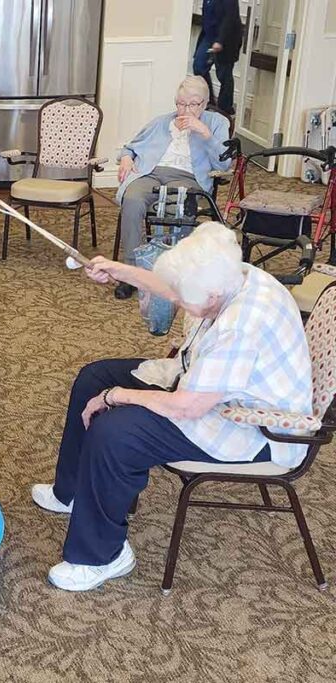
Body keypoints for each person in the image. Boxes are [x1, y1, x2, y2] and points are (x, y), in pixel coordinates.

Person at [31, 222, 312, 592]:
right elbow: (178, 287)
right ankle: (72, 493)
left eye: (185, 301)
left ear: (211, 296)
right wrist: (119, 269)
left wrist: (116, 396)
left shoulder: (240, 327)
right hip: (214, 388)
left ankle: (102, 556)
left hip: (252, 425)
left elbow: (186, 406)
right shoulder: (231, 273)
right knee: (93, 378)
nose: (178, 304)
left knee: (115, 434)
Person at [114, 76, 232, 300]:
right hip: (151, 172)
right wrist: (127, 158)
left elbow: (224, 163)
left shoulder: (217, 123)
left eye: (192, 104)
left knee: (177, 204)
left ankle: (173, 274)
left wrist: (205, 133)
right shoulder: (162, 122)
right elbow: (132, 146)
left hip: (188, 177)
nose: (185, 109)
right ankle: (133, 272)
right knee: (132, 199)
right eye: (180, 104)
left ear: (205, 103)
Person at [193, 0, 242, 115]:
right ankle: (209, 101)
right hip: (208, 36)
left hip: (227, 39)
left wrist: (220, 41)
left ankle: (225, 108)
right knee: (198, 66)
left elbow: (230, 18)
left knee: (224, 74)